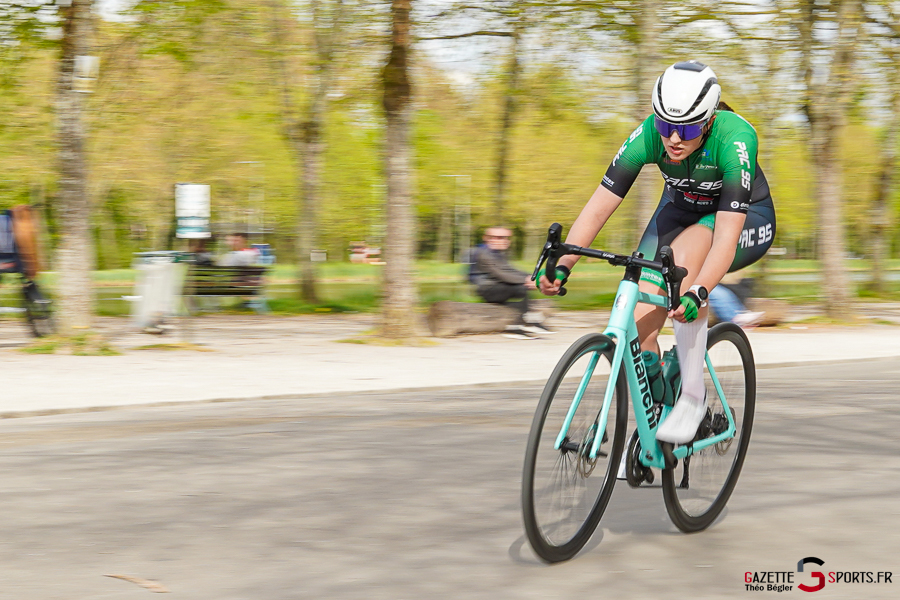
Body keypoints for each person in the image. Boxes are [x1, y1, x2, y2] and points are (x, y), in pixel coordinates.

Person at [540, 61, 776, 443]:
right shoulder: (650, 133)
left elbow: (724, 238)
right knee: (636, 324)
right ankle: (654, 429)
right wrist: (563, 262)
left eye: (688, 129)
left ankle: (693, 398)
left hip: (743, 220)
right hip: (679, 210)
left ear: (709, 121)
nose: (674, 139)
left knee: (685, 264)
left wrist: (698, 291)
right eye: (666, 126)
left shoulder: (735, 139)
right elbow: (599, 205)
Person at [470, 226, 552, 339]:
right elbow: (501, 274)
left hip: (498, 286)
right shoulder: (483, 254)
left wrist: (533, 277)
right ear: (487, 239)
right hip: (487, 289)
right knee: (521, 288)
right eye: (499, 237)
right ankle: (515, 327)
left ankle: (529, 321)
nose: (504, 240)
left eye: (506, 238)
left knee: (522, 288)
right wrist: (527, 280)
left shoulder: (497, 253)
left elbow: (511, 270)